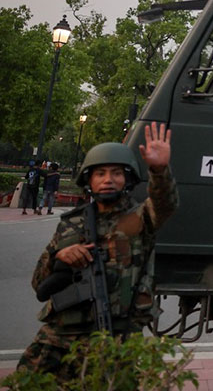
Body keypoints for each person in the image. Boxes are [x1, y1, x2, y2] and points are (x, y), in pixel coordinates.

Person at [18, 122, 178, 379]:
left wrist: (159, 170)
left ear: (127, 179)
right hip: (62, 333)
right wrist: (59, 257)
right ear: (88, 179)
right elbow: (39, 285)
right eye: (100, 173)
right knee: (28, 379)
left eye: (116, 173)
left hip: (117, 332)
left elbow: (165, 203)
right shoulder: (71, 223)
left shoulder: (140, 219)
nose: (108, 180)